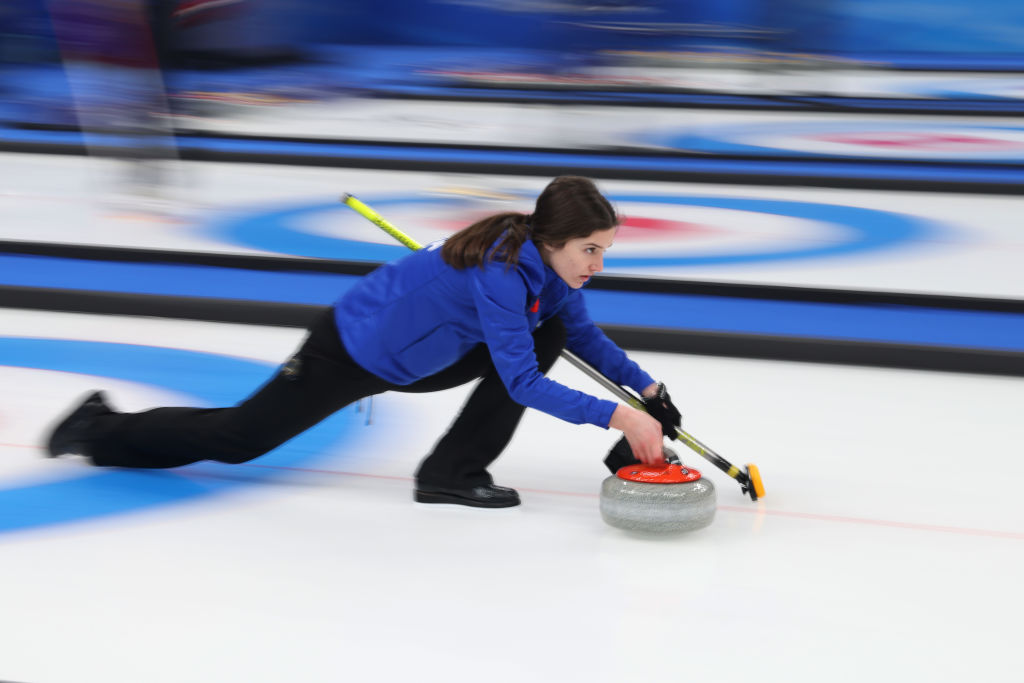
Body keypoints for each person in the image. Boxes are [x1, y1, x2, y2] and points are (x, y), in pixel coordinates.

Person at [44, 176, 682, 508]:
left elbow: (583, 335)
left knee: (549, 334)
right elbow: (519, 383)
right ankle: (100, 430)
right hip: (350, 349)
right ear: (552, 240)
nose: (597, 264)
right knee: (241, 439)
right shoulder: (502, 271)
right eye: (589, 250)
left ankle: (450, 474)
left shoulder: (552, 271)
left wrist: (647, 389)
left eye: (604, 251)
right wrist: (616, 414)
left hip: (423, 355)